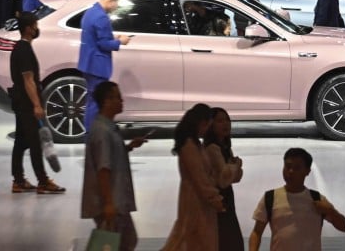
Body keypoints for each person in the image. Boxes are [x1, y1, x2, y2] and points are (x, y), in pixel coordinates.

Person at [82, 81, 146, 251]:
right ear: (106, 101)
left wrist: (128, 147)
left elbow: (110, 157)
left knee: (126, 241)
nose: (121, 100)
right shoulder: (103, 132)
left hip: (116, 200)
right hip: (112, 201)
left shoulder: (107, 128)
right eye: (117, 97)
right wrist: (108, 203)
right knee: (118, 243)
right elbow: (103, 169)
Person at [249, 147, 345, 251]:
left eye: (297, 168)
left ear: (307, 171)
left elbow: (344, 227)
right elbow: (257, 232)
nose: (291, 171)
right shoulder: (270, 197)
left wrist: (331, 211)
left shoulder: (316, 199)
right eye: (287, 166)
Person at [10, 12, 66, 194]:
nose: (37, 29)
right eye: (35, 25)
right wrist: (36, 105)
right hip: (26, 104)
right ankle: (43, 181)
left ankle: (18, 180)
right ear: (28, 29)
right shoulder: (24, 50)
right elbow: (28, 80)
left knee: (20, 141)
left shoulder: (20, 47)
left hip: (19, 102)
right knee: (35, 143)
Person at [161, 103, 225, 251]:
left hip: (198, 199)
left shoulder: (195, 144)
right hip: (195, 200)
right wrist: (214, 198)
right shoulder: (189, 146)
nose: (207, 129)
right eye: (207, 125)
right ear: (201, 123)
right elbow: (199, 177)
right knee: (194, 239)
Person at [79, 0, 130, 131]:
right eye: (116, 5)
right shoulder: (102, 17)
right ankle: (93, 133)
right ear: (111, 0)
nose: (116, 9)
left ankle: (90, 133)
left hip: (88, 63)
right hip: (98, 65)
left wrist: (112, 37)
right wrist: (121, 41)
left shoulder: (91, 12)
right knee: (97, 103)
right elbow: (103, 44)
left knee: (91, 101)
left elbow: (96, 37)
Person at [204, 107, 245, 251]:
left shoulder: (225, 147)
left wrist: (234, 167)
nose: (226, 124)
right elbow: (224, 179)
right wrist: (236, 165)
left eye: (227, 120)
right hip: (217, 199)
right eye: (220, 121)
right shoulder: (212, 148)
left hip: (226, 197)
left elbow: (234, 177)